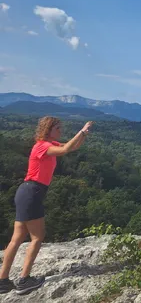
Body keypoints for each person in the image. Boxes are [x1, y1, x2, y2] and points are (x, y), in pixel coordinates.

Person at [0, 117, 93, 295]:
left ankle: (2, 281)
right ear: (48, 129)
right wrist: (81, 131)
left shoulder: (49, 144)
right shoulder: (42, 146)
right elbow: (66, 149)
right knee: (37, 237)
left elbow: (71, 147)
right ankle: (24, 280)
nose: (60, 131)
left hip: (26, 192)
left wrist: (83, 135)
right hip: (32, 193)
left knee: (17, 238)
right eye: (57, 128)